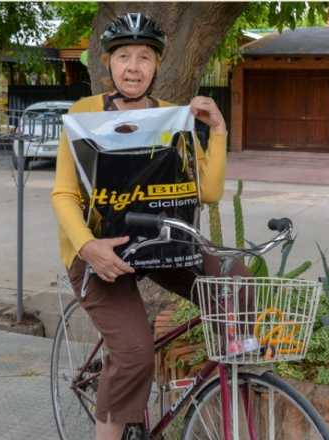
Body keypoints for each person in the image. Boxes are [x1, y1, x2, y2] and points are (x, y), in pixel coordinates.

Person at [51, 12, 248, 440]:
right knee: (136, 351)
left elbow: (208, 192)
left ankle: (220, 375)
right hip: (100, 253)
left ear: (157, 65)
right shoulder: (85, 113)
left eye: (144, 57)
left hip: (162, 247)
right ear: (109, 64)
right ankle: (118, 411)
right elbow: (64, 194)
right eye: (124, 56)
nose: (134, 67)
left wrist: (217, 130)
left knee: (236, 281)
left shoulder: (170, 117)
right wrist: (87, 247)